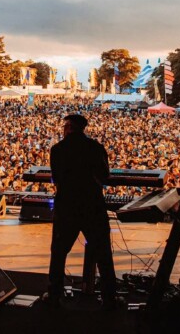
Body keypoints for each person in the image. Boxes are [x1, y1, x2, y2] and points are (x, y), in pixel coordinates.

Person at [44, 113, 118, 310]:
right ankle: (109, 297)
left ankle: (54, 295)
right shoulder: (96, 148)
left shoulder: (58, 149)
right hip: (92, 205)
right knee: (102, 252)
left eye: (65, 126)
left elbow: (56, 178)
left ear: (69, 128)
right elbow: (104, 175)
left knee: (59, 252)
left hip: (67, 206)